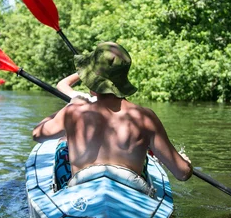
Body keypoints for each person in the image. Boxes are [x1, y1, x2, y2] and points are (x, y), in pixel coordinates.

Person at [32, 42, 192, 190]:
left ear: (91, 79)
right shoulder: (145, 117)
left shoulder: (74, 112)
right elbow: (182, 173)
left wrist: (71, 106)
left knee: (61, 150)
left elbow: (38, 134)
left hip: (82, 186)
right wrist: (186, 163)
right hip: (132, 188)